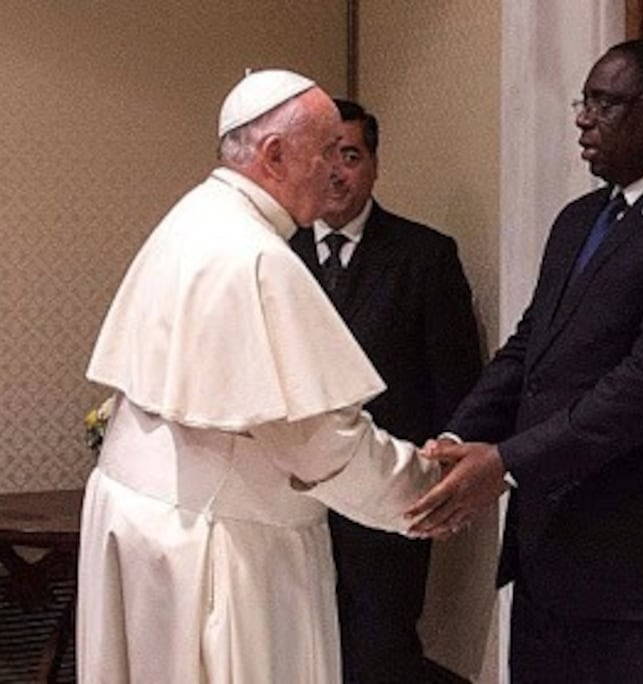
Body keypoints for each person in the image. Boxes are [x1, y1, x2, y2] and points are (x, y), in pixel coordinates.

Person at [406, 39, 643, 681]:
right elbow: (531, 350)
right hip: (555, 556)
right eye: (585, 101)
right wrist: (456, 438)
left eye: (604, 103)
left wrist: (507, 464)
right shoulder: (579, 220)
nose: (582, 119)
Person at [76, 70, 439, 683]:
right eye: (327, 151)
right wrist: (427, 492)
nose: (334, 170)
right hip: (223, 545)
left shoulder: (193, 217)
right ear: (274, 155)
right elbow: (320, 444)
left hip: (149, 521)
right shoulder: (257, 257)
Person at [288, 98, 483, 683]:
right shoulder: (274, 254)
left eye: (350, 155)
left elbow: (456, 382)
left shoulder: (425, 256)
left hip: (384, 499)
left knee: (381, 654)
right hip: (292, 503)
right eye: (324, 157)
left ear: (374, 164)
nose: (336, 172)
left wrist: (442, 484)